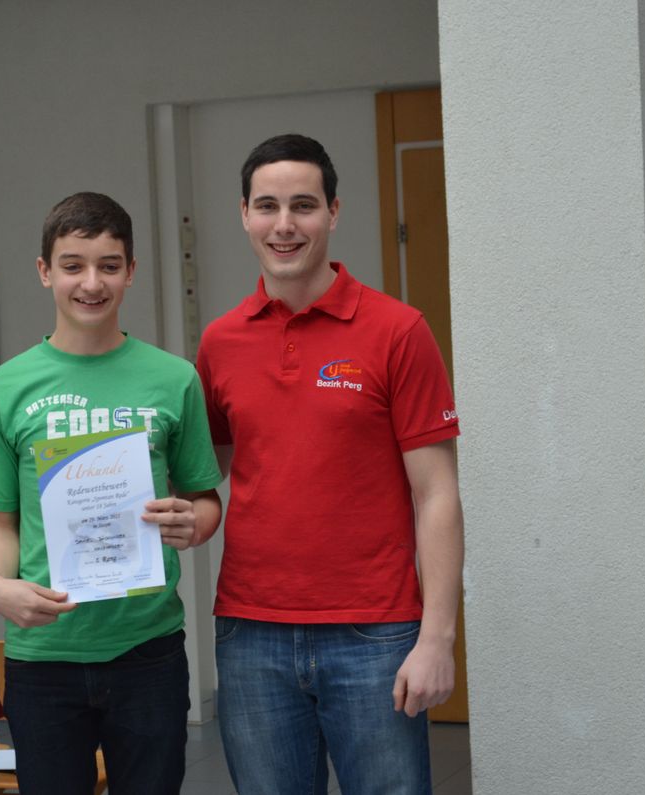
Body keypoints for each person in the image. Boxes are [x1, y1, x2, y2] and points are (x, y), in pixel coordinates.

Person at [195, 133, 465, 794]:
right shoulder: (220, 341)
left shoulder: (398, 331)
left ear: (334, 212)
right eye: (267, 206)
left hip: (374, 632)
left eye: (303, 205)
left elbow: (437, 493)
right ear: (244, 214)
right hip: (252, 632)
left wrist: (437, 638)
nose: (284, 224)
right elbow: (205, 471)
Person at [0, 192, 222, 794]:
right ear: (44, 271)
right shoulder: (2, 389)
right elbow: (0, 523)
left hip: (147, 649)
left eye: (109, 265)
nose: (91, 283)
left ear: (130, 271)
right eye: (73, 265)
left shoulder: (175, 379)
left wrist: (196, 523)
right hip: (44, 653)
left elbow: (205, 499)